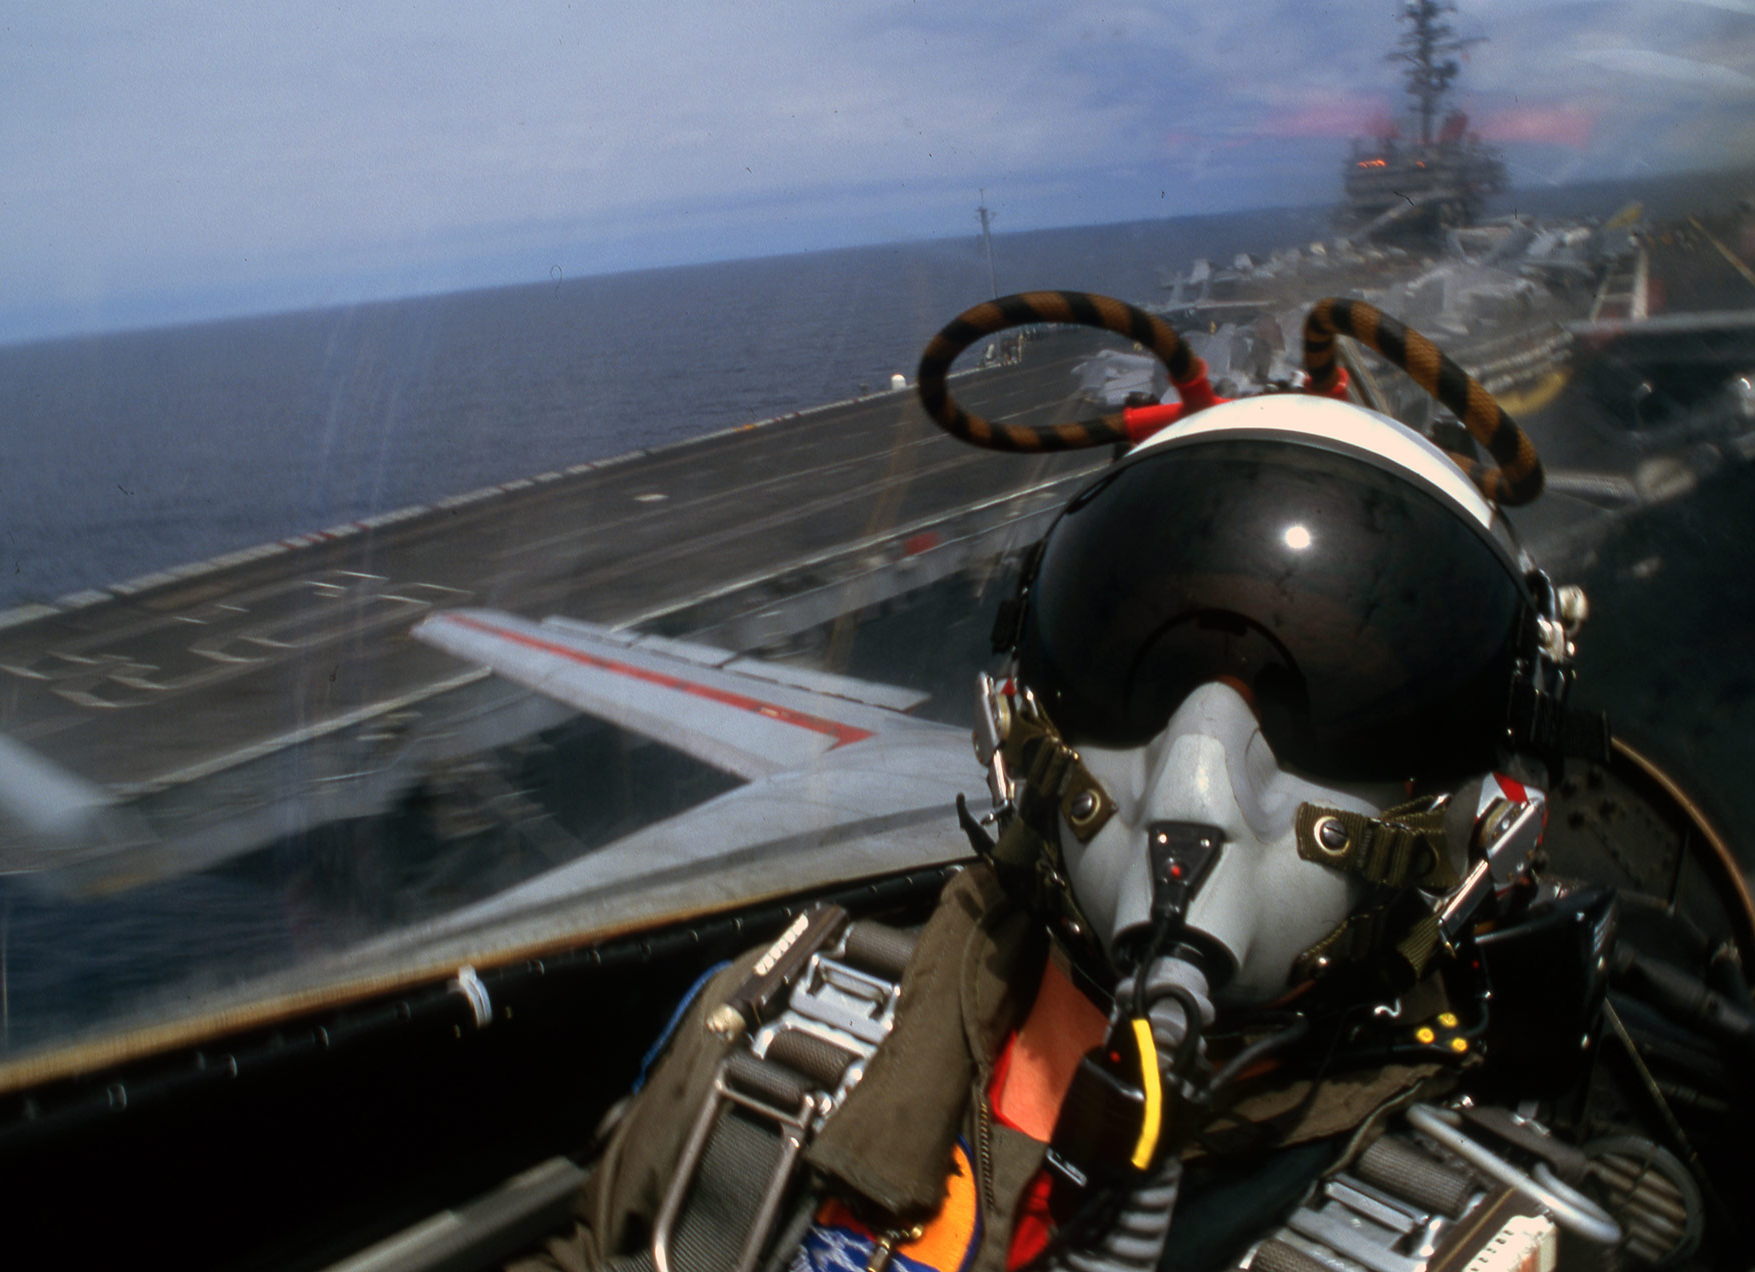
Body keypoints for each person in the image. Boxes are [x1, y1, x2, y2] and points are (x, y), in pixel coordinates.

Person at [514, 332, 1584, 1272]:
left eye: (1344, 705)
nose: (1199, 774)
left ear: (1482, 813)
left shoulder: (1471, 1241)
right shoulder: (778, 1040)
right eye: (1140, 666)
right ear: (1026, 710)